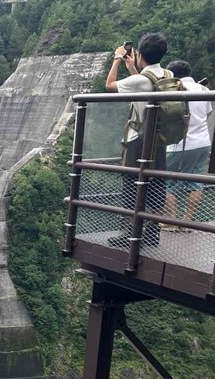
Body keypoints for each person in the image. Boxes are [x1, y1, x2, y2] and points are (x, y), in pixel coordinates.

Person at [106, 33, 171, 248]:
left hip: (138, 139)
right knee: (155, 183)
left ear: (140, 55)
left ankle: (129, 233)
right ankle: (152, 233)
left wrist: (117, 58)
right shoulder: (169, 75)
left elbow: (110, 85)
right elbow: (145, 85)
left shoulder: (139, 80)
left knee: (131, 184)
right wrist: (133, 67)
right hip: (160, 139)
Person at [163, 60, 212, 232]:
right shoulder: (204, 90)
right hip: (203, 142)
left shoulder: (175, 90)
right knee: (196, 182)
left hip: (180, 144)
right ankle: (187, 222)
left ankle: (172, 222)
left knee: (167, 182)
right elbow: (207, 113)